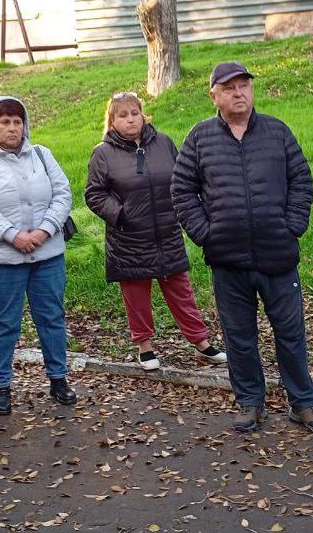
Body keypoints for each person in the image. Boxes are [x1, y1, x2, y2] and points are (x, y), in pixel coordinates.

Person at [170, 61, 313, 433]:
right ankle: (250, 402)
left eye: (244, 85)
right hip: (228, 261)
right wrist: (206, 233)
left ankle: (303, 403)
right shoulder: (200, 138)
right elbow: (181, 190)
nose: (238, 93)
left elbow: (301, 180)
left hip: (278, 256)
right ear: (214, 96)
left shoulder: (276, 132)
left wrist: (292, 226)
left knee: (290, 335)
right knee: (239, 338)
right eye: (229, 88)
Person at [85, 91, 226, 371]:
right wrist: (122, 215)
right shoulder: (103, 153)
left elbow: (183, 179)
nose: (130, 120)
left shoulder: (163, 143)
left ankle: (200, 342)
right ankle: (144, 346)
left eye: (134, 113)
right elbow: (94, 194)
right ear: (112, 121)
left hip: (166, 233)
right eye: (122, 115)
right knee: (136, 293)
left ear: (143, 115)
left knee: (181, 290)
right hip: (129, 237)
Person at [0, 95, 76, 417]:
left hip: (47, 254)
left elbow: (62, 194)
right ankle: (1, 385)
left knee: (51, 317)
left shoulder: (42, 155)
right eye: (4, 122)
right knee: (3, 322)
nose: (12, 128)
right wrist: (13, 236)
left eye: (17, 121)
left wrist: (44, 231)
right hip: (2, 259)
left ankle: (58, 378)